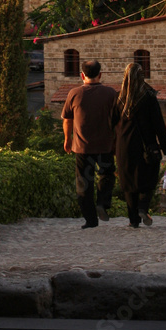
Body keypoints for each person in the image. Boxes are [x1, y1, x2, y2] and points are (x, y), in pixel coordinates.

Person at [112, 62, 166, 228]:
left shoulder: (119, 99)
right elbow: (159, 125)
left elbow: (111, 124)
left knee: (129, 183)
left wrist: (111, 147)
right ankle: (142, 208)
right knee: (149, 178)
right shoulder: (149, 97)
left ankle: (133, 219)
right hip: (146, 146)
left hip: (124, 146)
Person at [61, 59, 117, 229]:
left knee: (83, 184)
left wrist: (67, 139)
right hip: (106, 145)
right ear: (100, 75)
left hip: (82, 147)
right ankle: (102, 202)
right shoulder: (111, 93)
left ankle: (90, 220)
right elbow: (117, 120)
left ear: (82, 75)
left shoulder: (74, 94)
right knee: (107, 175)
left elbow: (67, 120)